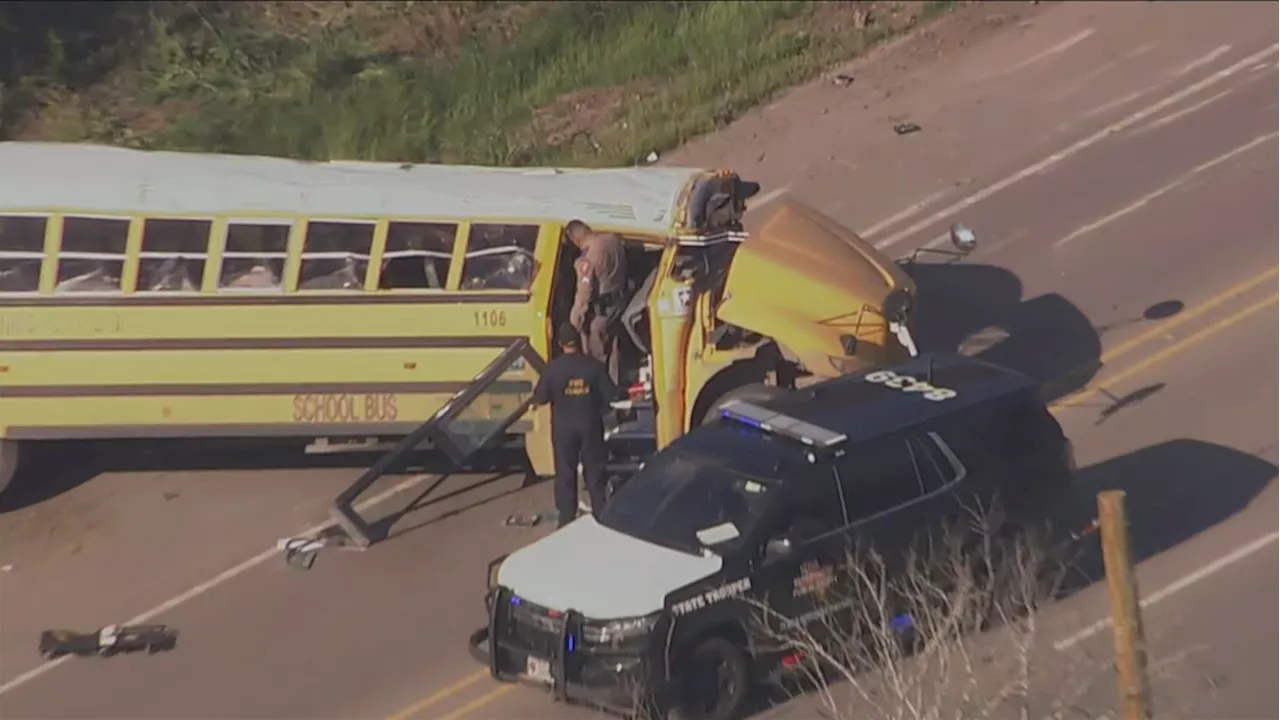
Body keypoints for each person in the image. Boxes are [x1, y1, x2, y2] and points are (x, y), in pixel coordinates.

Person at [531, 322, 619, 528]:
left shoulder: (553, 369)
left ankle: (566, 520)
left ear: (561, 344)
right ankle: (601, 516)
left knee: (565, 473)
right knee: (595, 472)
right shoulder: (593, 366)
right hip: (590, 426)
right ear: (579, 341)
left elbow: (540, 398)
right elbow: (611, 395)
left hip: (563, 430)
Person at [565, 219, 628, 380]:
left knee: (597, 356)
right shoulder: (613, 240)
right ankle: (615, 387)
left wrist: (574, 322)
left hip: (601, 312)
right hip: (619, 303)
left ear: (575, 240)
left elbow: (584, 294)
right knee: (615, 348)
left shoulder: (586, 260)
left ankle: (601, 393)